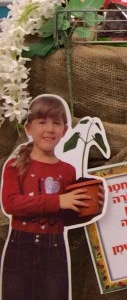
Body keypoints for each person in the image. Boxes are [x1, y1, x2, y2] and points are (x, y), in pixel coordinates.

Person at [0, 94, 88, 300]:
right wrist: (58, 201)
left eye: (56, 123)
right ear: (28, 129)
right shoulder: (15, 165)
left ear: (64, 130)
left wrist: (89, 206)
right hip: (20, 248)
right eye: (42, 122)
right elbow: (11, 203)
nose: (49, 129)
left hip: (55, 249)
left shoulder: (68, 171)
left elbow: (66, 216)